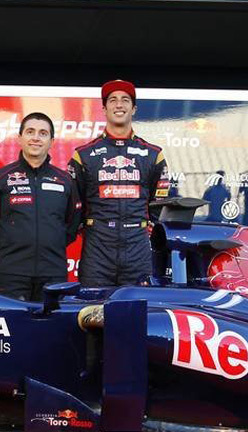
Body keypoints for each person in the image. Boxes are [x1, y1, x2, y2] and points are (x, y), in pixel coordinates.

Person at [67, 79, 169, 287]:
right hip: (98, 249)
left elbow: (160, 206)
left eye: (125, 100)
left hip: (137, 249)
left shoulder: (153, 154)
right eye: (112, 100)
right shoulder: (84, 155)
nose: (119, 105)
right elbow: (74, 206)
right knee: (93, 314)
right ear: (104, 109)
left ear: (134, 109)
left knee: (138, 314)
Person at [0, 112, 80, 301]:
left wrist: (51, 245)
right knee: (11, 329)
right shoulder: (1, 178)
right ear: (20, 138)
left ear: (51, 141)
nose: (36, 138)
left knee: (52, 330)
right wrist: (8, 247)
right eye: (30, 131)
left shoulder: (65, 180)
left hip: (53, 274)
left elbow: (72, 225)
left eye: (43, 133)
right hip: (11, 274)